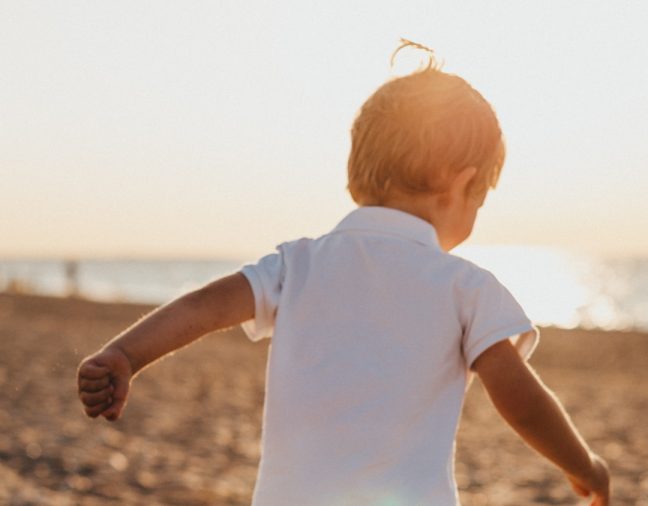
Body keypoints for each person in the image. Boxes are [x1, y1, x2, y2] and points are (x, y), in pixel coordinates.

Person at [76, 41, 611, 506]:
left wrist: (126, 354)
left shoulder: (298, 263)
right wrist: (585, 466)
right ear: (460, 186)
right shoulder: (467, 288)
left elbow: (205, 305)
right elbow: (520, 400)